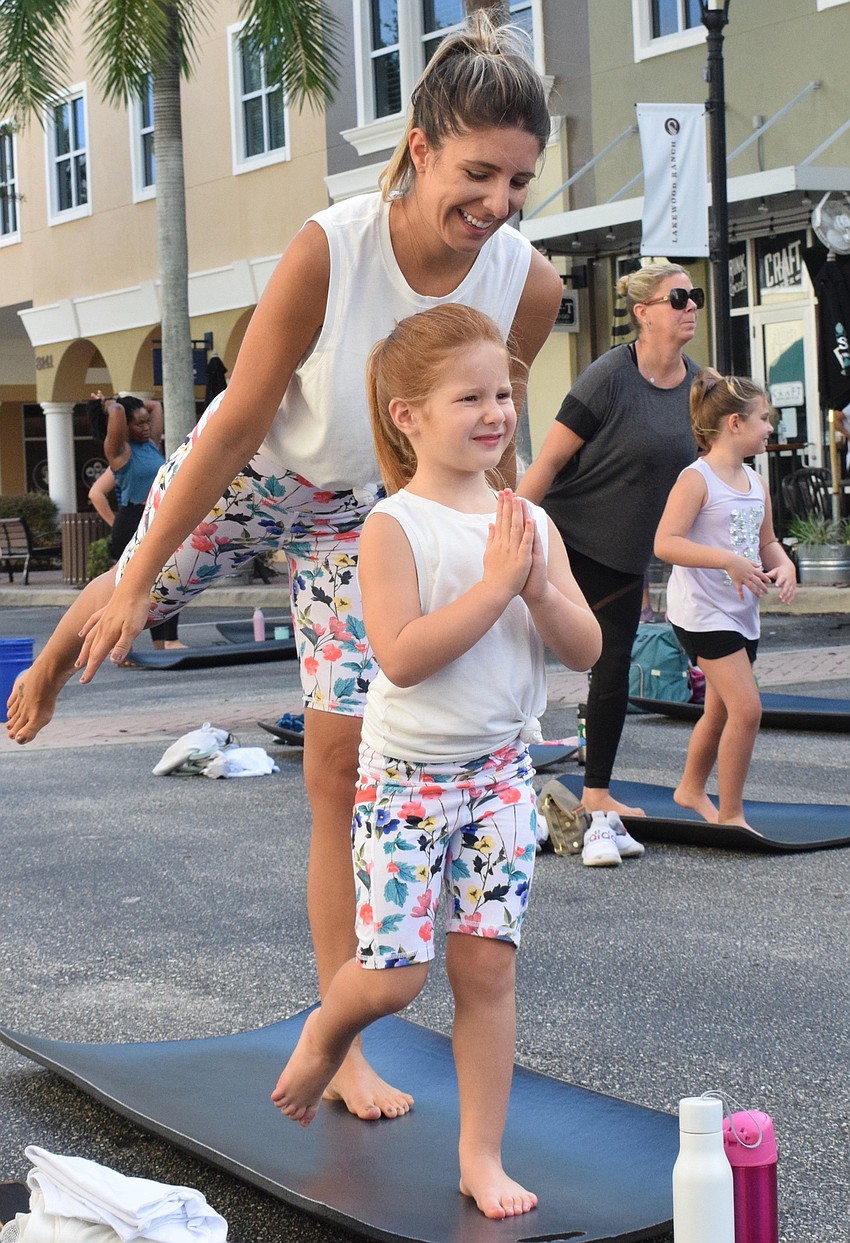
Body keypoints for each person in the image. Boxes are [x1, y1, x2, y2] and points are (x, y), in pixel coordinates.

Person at [6, 13, 562, 1121]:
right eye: (476, 172)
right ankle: (65, 642)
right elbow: (233, 419)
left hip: (359, 517)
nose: (497, 202)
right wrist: (141, 570)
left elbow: (475, 437)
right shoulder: (332, 245)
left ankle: (344, 1038)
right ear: (417, 147)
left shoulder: (527, 285)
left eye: (519, 180)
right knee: (127, 596)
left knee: (343, 775)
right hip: (253, 472)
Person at [270, 304, 601, 1218]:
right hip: (408, 782)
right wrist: (498, 587)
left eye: (503, 393)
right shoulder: (394, 527)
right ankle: (328, 1026)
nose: (496, 412)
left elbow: (584, 648)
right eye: (470, 397)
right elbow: (404, 653)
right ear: (408, 413)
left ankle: (480, 1155)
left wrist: (534, 582)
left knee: (488, 970)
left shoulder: (526, 520)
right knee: (395, 976)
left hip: (499, 774)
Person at [518, 263, 701, 861]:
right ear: (643, 310)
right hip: (566, 537)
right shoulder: (608, 378)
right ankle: (496, 781)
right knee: (515, 654)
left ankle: (596, 794)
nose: (691, 305)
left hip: (624, 555)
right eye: (678, 298)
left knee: (612, 663)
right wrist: (502, 535)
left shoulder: (704, 387)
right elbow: (544, 466)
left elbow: (718, 470)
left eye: (694, 296)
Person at [654, 370, 797, 828]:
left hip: (740, 612)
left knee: (718, 710)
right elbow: (666, 543)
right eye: (763, 418)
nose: (770, 427)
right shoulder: (696, 479)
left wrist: (785, 564)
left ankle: (690, 789)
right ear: (734, 423)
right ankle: (731, 814)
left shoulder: (754, 482)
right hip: (701, 612)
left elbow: (768, 540)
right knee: (747, 708)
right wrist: (727, 561)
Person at [86, 392, 183, 650]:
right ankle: (116, 644)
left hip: (154, 518)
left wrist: (126, 397)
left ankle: (164, 642)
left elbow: (155, 406)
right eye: (138, 423)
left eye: (146, 421)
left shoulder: (150, 443)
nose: (146, 425)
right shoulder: (119, 452)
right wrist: (109, 404)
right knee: (122, 590)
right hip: (131, 521)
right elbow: (117, 412)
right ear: (125, 426)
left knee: (165, 578)